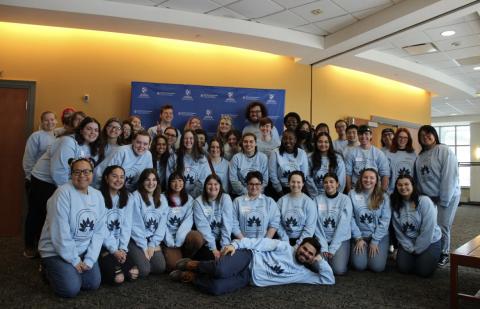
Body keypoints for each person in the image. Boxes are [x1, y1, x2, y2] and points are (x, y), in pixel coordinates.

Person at [25, 117, 101, 257]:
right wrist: (72, 194)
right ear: (81, 129)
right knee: (42, 216)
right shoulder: (67, 142)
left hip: (64, 182)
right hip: (44, 182)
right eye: (89, 128)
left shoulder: (89, 146)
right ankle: (36, 249)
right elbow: (58, 172)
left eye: (96, 130)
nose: (92, 132)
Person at [169, 237, 335, 295]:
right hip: (248, 258)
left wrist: (319, 260)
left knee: (216, 288)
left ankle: (190, 277)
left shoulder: (304, 273)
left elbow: (329, 279)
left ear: (312, 258)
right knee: (220, 270)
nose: (305, 254)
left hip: (249, 278)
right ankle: (194, 264)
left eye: (310, 254)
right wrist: (236, 245)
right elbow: (259, 242)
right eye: (305, 249)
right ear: (299, 246)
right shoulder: (284, 246)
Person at [38, 158, 106, 298]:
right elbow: (59, 233)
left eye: (86, 171)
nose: (82, 175)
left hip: (82, 249)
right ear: (71, 174)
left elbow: (99, 231)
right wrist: (74, 260)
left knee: (92, 284)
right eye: (77, 172)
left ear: (92, 174)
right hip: (56, 250)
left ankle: (69, 271)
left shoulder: (98, 195)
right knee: (70, 290)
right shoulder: (62, 194)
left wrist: (90, 259)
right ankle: (47, 268)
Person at [415, 125, 460, 267]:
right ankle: (433, 249)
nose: (425, 137)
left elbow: (449, 177)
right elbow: (419, 180)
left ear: (434, 135)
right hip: (429, 198)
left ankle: (444, 253)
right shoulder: (420, 156)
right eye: (422, 135)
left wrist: (444, 199)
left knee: (442, 225)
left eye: (428, 134)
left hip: (447, 196)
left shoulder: (444, 151)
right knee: (430, 225)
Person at [390, 175, 441, 277]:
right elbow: (398, 231)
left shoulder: (424, 201)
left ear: (413, 185)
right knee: (403, 268)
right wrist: (409, 248)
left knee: (423, 271)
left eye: (406, 184)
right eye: (399, 185)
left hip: (430, 240)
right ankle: (417, 257)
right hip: (408, 241)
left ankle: (431, 256)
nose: (403, 187)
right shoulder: (396, 203)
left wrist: (417, 249)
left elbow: (428, 229)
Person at [99, 165, 139, 285]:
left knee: (134, 273)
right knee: (119, 279)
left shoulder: (128, 197)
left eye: (122, 177)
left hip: (118, 245)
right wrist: (114, 250)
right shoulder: (98, 197)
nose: (118, 180)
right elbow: (101, 228)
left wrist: (122, 248)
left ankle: (116, 263)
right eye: (114, 176)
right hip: (102, 244)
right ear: (106, 178)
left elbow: (127, 226)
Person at [350, 168, 391, 272]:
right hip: (359, 236)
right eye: (365, 177)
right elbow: (350, 218)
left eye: (372, 178)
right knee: (359, 266)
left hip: (379, 237)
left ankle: (372, 249)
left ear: (376, 180)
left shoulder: (384, 196)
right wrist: (358, 238)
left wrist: (375, 241)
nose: (368, 180)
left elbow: (385, 220)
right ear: (360, 179)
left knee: (377, 268)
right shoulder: (352, 194)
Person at [129, 168, 168, 277]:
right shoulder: (135, 196)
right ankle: (131, 263)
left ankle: (141, 263)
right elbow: (135, 225)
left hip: (151, 239)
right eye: (147, 180)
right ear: (142, 182)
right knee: (145, 270)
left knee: (159, 267)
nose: (151, 183)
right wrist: (144, 247)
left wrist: (152, 244)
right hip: (136, 239)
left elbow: (162, 226)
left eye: (154, 180)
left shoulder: (162, 199)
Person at [163, 172, 204, 271]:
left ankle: (185, 256)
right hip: (167, 237)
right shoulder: (163, 197)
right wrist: (169, 240)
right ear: (169, 183)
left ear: (184, 182)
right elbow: (161, 221)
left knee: (196, 238)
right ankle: (175, 254)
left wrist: (179, 238)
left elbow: (188, 221)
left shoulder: (189, 199)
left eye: (180, 180)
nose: (177, 184)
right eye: (173, 181)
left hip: (182, 235)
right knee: (173, 265)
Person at [314, 173, 352, 275]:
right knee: (318, 267)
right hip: (322, 239)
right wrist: (324, 246)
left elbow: (343, 226)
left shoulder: (345, 199)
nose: (328, 184)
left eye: (331, 182)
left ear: (337, 184)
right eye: (325, 182)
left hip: (340, 239)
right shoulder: (317, 200)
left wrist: (333, 248)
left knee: (338, 270)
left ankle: (340, 258)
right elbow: (316, 225)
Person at [192, 174, 233, 260]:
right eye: (209, 184)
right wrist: (213, 248)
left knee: (228, 258)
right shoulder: (198, 202)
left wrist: (224, 247)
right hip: (207, 241)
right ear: (205, 186)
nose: (213, 186)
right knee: (209, 258)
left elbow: (227, 225)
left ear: (220, 186)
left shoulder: (226, 198)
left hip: (224, 238)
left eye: (216, 184)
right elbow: (203, 227)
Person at [232, 171, 280, 239]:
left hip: (264, 243)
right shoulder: (237, 201)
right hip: (242, 243)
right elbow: (234, 224)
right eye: (251, 184)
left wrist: (265, 242)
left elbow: (274, 223)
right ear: (246, 185)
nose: (254, 187)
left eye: (257, 184)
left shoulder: (269, 202)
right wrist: (244, 242)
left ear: (261, 185)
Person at [345, 125, 389, 192]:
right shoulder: (351, 153)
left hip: (374, 191)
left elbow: (385, 175)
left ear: (371, 135)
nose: (363, 136)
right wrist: (349, 192)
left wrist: (382, 193)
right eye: (361, 134)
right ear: (358, 136)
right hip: (356, 190)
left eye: (366, 134)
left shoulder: (379, 153)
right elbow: (348, 174)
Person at [166, 129, 210, 198]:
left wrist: (192, 197)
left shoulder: (202, 158)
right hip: (177, 196)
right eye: (185, 138)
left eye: (191, 138)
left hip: (197, 197)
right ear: (182, 140)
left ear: (195, 140)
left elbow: (205, 179)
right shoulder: (174, 157)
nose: (188, 141)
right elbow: (169, 178)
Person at [277, 171, 316, 246]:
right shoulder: (281, 201)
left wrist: (298, 245)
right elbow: (277, 223)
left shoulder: (309, 203)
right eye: (293, 182)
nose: (295, 185)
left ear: (303, 184)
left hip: (304, 241)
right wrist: (285, 240)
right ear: (288, 183)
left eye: (298, 182)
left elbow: (309, 229)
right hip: (284, 239)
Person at [269, 129, 309, 197]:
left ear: (295, 140)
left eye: (291, 138)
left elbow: (304, 175)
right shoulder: (275, 152)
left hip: (298, 188)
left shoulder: (302, 153)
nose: (287, 141)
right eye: (285, 138)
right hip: (280, 189)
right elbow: (273, 175)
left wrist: (297, 189)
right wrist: (280, 191)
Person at [23, 111, 57, 189]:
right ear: (42, 122)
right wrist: (30, 176)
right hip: (36, 178)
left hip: (51, 179)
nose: (50, 122)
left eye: (52, 119)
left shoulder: (58, 136)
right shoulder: (36, 136)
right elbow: (28, 158)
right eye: (46, 120)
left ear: (56, 121)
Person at [307, 132, 346, 197]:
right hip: (315, 196)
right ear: (316, 143)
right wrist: (316, 196)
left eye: (326, 142)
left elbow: (341, 180)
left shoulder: (338, 158)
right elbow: (308, 178)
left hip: (333, 195)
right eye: (320, 142)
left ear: (330, 143)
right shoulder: (309, 158)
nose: (323, 144)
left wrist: (335, 196)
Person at [385, 128, 417, 194]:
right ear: (396, 138)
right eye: (400, 137)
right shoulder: (388, 153)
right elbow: (385, 174)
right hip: (393, 191)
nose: (402, 140)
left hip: (409, 192)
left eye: (405, 138)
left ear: (408, 140)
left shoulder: (413, 154)